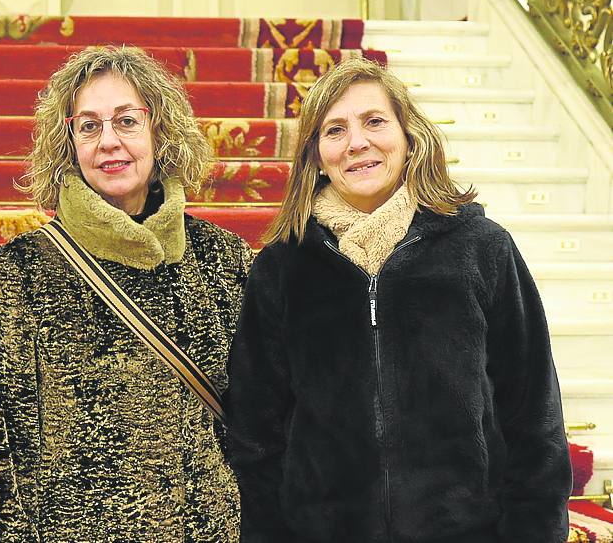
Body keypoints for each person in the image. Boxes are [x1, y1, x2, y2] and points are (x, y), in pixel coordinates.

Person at [225, 57, 571, 541]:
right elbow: (256, 435)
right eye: (334, 130)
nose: (357, 143)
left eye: (374, 121)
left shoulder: (481, 248)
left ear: (409, 137)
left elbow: (535, 416)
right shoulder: (281, 269)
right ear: (314, 156)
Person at [0, 46, 252, 541]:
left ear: (160, 131)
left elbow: (262, 426)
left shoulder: (223, 260)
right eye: (89, 126)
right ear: (68, 143)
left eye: (127, 121)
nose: (109, 142)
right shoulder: (19, 272)